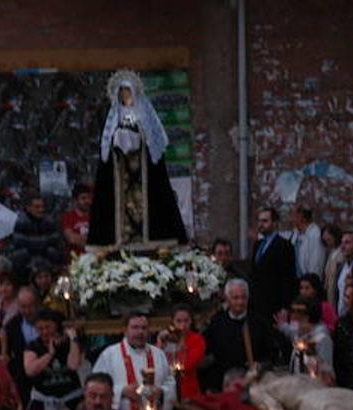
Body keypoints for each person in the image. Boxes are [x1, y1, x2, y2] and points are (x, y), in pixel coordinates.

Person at [90, 70, 188, 246]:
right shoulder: (114, 117)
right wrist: (118, 138)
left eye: (128, 92)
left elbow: (152, 140)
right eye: (122, 93)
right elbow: (108, 147)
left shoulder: (144, 114)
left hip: (144, 173)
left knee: (154, 201)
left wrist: (137, 137)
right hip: (120, 174)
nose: (126, 96)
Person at [91, 313, 177, 410]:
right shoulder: (110, 354)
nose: (140, 332)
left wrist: (161, 391)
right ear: (125, 330)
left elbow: (171, 383)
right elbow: (94, 387)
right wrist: (122, 391)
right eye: (135, 327)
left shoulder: (158, 354)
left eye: (144, 328)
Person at [199, 279, 284, 393]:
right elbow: (205, 347)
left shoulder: (259, 322)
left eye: (243, 297)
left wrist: (259, 364)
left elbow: (271, 353)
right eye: (235, 298)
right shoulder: (217, 321)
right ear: (227, 299)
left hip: (251, 381)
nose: (240, 302)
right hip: (221, 380)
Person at [21, 309, 83, 410]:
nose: (44, 332)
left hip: (71, 399)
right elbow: (30, 370)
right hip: (44, 402)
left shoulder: (69, 343)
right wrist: (50, 353)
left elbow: (73, 365)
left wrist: (73, 339)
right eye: (40, 328)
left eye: (48, 327)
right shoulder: (33, 346)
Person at [247, 207, 298, 318]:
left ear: (275, 223)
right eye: (259, 221)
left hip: (275, 305)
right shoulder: (257, 245)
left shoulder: (285, 246)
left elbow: (288, 278)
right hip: (257, 304)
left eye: (265, 221)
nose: (260, 224)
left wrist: (285, 306)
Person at [157, 304, 207, 403]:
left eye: (186, 321)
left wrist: (181, 342)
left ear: (191, 321)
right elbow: (156, 363)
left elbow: (186, 365)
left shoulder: (197, 340)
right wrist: (160, 344)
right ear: (173, 322)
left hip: (189, 392)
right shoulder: (166, 339)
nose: (182, 325)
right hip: (167, 392)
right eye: (178, 321)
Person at [280, 299, 335, 385]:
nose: (292, 317)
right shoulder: (299, 335)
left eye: (296, 313)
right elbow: (290, 331)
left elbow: (326, 376)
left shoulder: (322, 340)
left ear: (307, 317)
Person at [3, 285, 43, 401]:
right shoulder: (11, 326)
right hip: (24, 383)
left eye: (31, 306)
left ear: (38, 304)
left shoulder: (52, 320)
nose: (27, 311)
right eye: (23, 307)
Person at [11, 193, 65, 269]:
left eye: (42, 206)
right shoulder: (20, 223)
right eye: (37, 207)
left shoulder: (50, 222)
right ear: (28, 208)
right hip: (26, 266)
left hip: (48, 264)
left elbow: (55, 241)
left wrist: (32, 244)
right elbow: (19, 244)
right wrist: (44, 244)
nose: (41, 209)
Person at [288, 204, 325, 279]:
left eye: (293, 215)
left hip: (308, 282)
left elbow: (316, 263)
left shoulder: (315, 235)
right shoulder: (296, 233)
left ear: (301, 218)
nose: (290, 218)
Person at [61, 182, 93, 253]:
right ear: (75, 200)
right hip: (76, 259)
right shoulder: (68, 217)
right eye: (83, 198)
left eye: (89, 198)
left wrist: (80, 239)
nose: (87, 201)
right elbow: (71, 239)